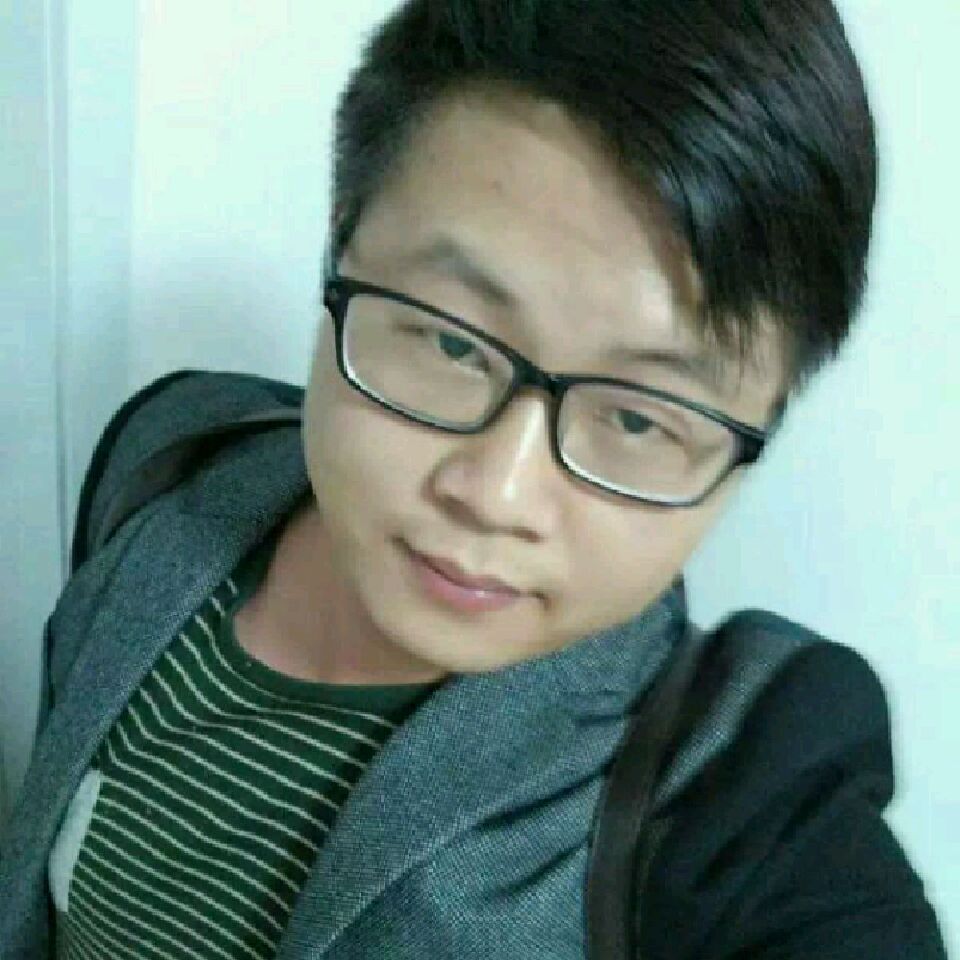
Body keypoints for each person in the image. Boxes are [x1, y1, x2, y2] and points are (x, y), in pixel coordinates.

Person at [0, 0, 949, 957]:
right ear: (339, 241)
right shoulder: (171, 462)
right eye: (453, 342)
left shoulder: (738, 802)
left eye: (637, 418)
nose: (496, 495)